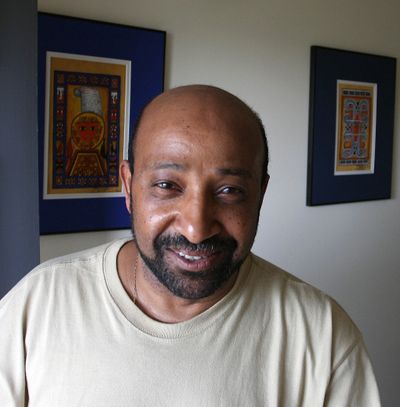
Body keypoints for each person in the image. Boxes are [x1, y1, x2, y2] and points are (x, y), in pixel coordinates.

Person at [0, 85, 380, 406]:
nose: (196, 228)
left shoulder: (322, 336)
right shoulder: (36, 308)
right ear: (129, 186)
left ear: (260, 195)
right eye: (167, 186)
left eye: (230, 191)